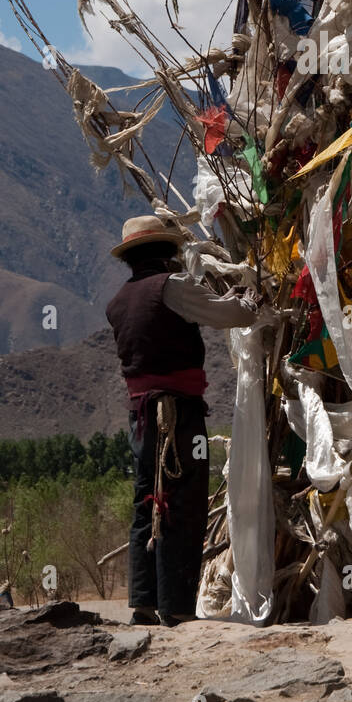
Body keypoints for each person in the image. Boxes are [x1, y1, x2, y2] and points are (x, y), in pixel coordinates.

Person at [106, 215, 262, 628]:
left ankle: (143, 603)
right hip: (177, 412)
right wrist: (250, 295)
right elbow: (233, 315)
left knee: (148, 502)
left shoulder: (119, 300)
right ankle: (175, 607)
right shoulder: (171, 287)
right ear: (167, 251)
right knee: (182, 501)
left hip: (140, 417)